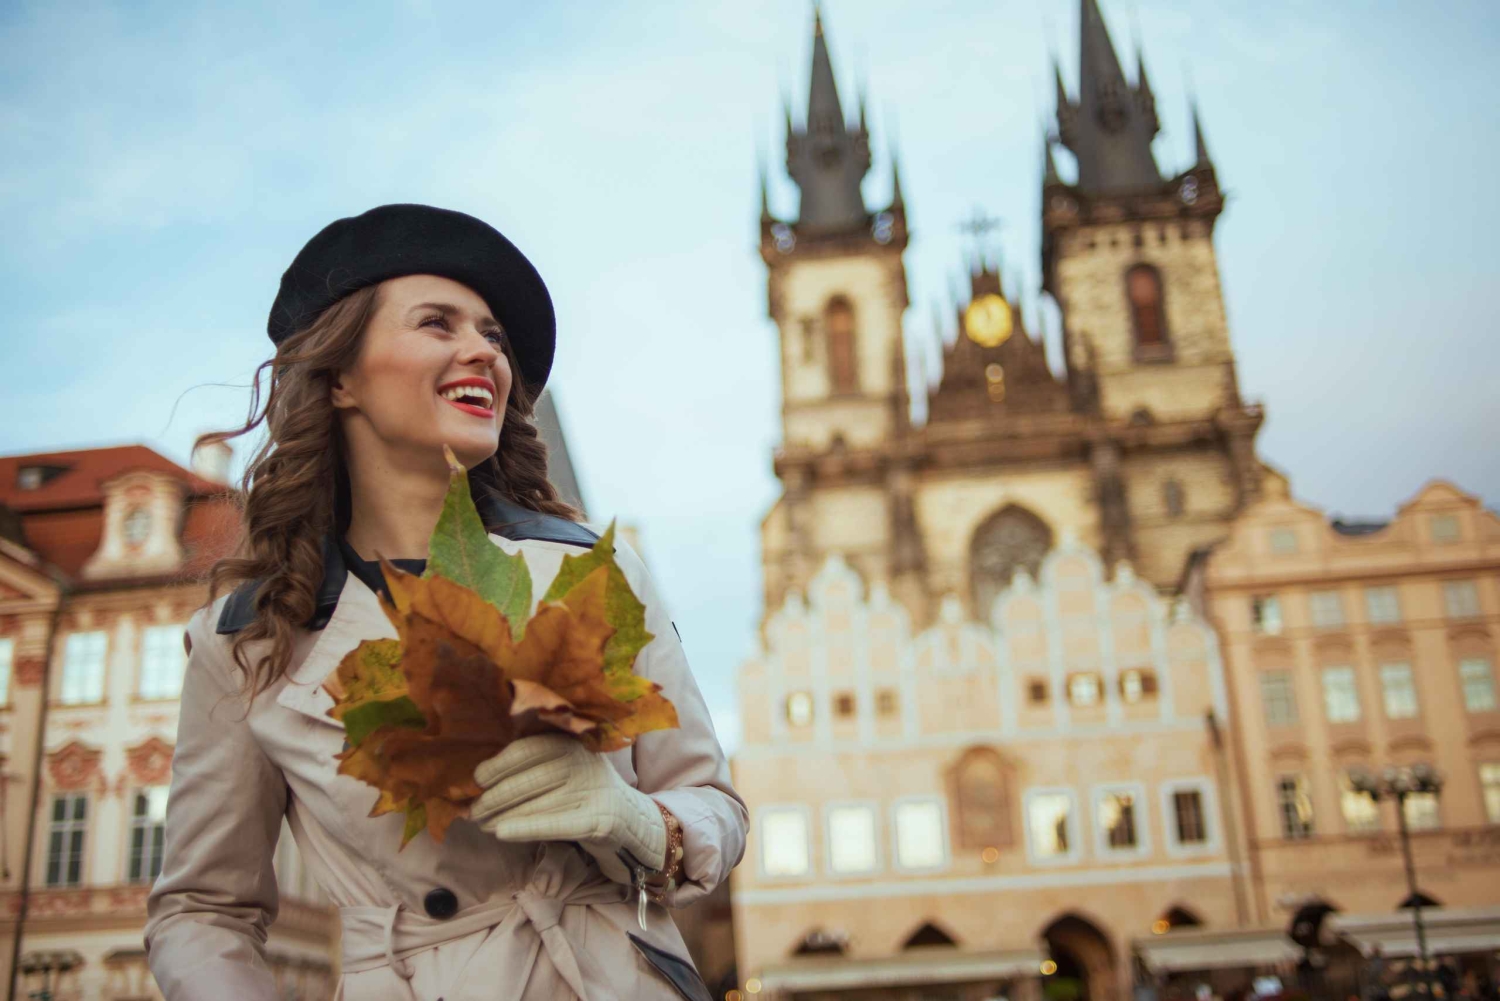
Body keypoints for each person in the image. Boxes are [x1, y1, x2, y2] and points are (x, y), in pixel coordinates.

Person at [143, 204, 747, 1001]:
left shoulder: (592, 574)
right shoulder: (252, 641)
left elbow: (715, 807)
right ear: (340, 379)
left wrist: (633, 820)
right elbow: (202, 908)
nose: (482, 352)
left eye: (493, 336)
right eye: (439, 324)